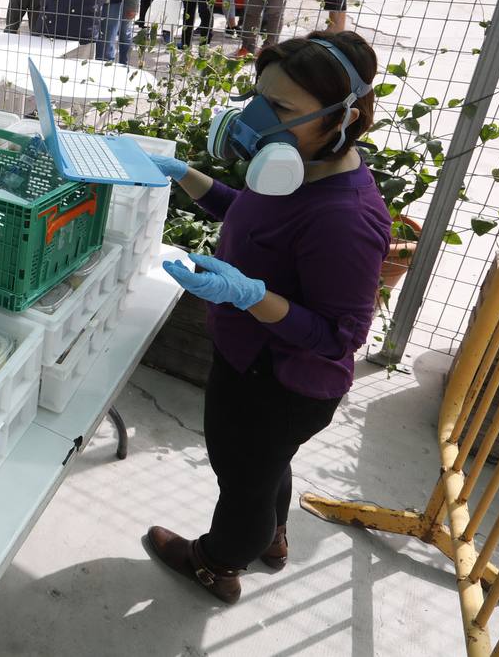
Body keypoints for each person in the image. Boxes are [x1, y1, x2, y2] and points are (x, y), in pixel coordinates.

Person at [144, 31, 389, 605]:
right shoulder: (299, 165)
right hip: (252, 363)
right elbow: (247, 212)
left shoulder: (346, 219)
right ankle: (274, 539)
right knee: (265, 469)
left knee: (242, 484)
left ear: (342, 119)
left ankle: (218, 563)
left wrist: (249, 295)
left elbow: (339, 338)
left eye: (280, 108)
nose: (256, 119)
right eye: (259, 97)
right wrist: (183, 173)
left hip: (278, 384)